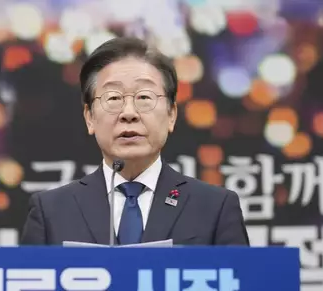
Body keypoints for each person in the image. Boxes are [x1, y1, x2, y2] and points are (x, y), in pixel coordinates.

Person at [21, 37, 249, 247]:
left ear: (171, 114)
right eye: (113, 98)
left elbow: (241, 287)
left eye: (144, 97)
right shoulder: (51, 211)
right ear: (89, 117)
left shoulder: (214, 207)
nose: (128, 113)